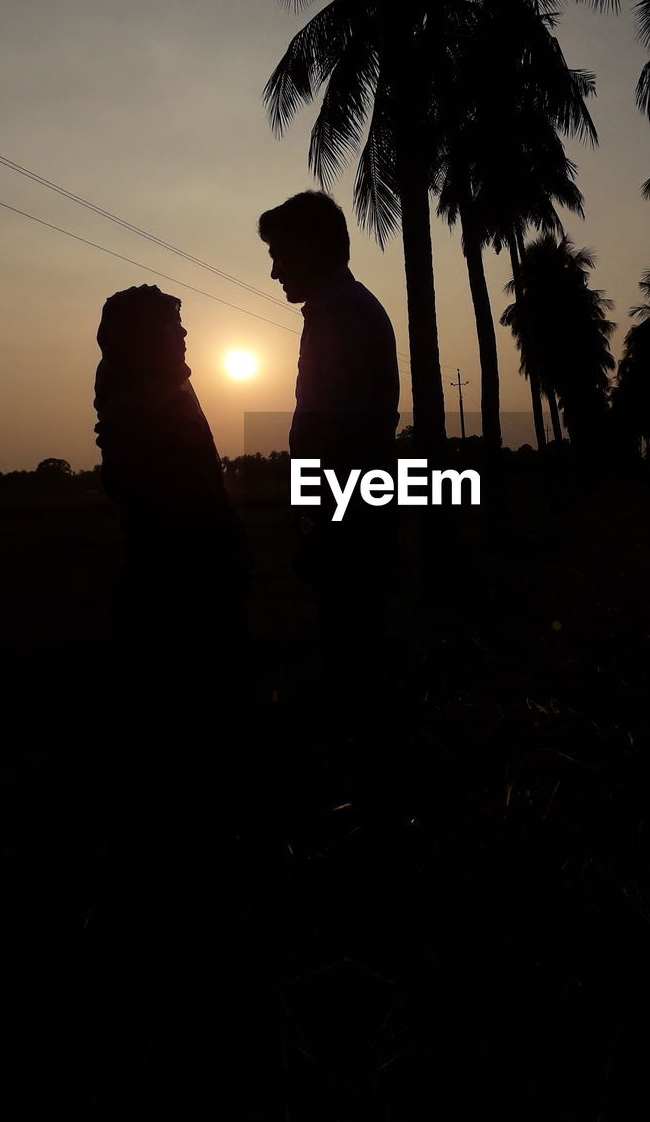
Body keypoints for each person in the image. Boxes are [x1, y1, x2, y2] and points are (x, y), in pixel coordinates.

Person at [93, 284, 250, 929]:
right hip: (177, 590)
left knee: (184, 732)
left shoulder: (153, 390)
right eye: (172, 328)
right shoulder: (144, 399)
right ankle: (186, 878)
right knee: (183, 731)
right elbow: (175, 497)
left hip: (182, 583)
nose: (184, 339)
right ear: (143, 337)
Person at [258, 190, 403, 843]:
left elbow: (332, 434)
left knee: (359, 664)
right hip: (357, 515)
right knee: (358, 663)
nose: (274, 270)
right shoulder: (341, 310)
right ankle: (381, 805)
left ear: (313, 247)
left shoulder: (340, 315)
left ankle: (383, 817)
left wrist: (316, 523)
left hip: (351, 521)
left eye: (279, 253)